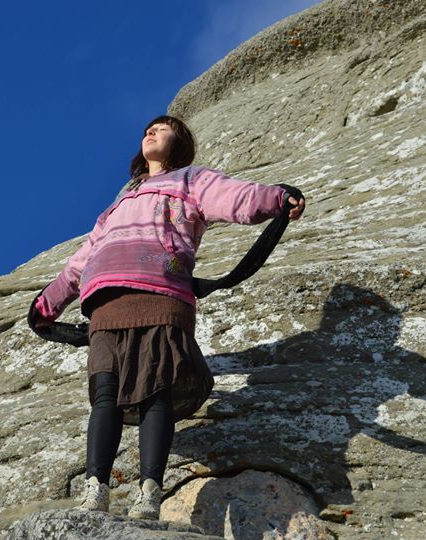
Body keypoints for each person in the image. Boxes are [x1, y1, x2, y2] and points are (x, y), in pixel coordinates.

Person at [30, 115, 305, 519]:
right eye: (148, 128)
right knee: (105, 394)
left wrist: (277, 198)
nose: (150, 131)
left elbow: (236, 197)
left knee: (156, 391)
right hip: (106, 303)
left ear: (181, 142)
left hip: (162, 295)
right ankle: (96, 491)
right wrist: (46, 305)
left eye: (163, 127)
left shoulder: (191, 180)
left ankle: (149, 494)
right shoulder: (120, 201)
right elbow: (81, 261)